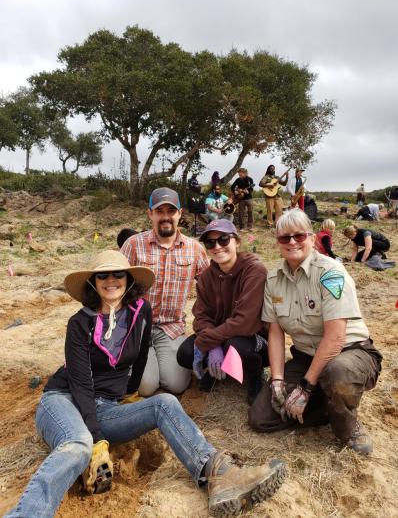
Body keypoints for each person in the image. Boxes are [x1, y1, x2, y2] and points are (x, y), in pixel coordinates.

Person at [5, 250, 286, 518]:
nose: (111, 281)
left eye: (118, 274)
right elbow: (80, 383)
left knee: (164, 402)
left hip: (105, 406)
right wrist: (95, 439)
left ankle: (219, 473)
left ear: (129, 280)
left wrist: (130, 394)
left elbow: (138, 359)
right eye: (103, 276)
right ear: (93, 283)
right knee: (78, 446)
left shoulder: (141, 312)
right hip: (64, 400)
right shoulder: (79, 324)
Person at [249, 210, 382, 455]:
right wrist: (278, 381)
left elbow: (335, 338)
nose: (292, 242)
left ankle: (347, 425)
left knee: (337, 372)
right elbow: (275, 333)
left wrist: (305, 387)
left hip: (349, 353)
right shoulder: (273, 280)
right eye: (284, 238)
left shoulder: (330, 273)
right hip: (306, 356)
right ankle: (327, 403)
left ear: (312, 238)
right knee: (261, 418)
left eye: (299, 236)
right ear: (277, 242)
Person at [120, 187, 209, 396]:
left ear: (180, 213)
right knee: (146, 387)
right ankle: (138, 361)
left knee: (177, 384)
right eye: (160, 211)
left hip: (171, 328)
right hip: (136, 327)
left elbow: (211, 289)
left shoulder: (195, 249)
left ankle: (158, 363)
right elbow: (113, 284)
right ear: (150, 213)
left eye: (171, 211)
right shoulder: (133, 245)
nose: (166, 217)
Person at [177, 219, 269, 405]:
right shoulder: (205, 277)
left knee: (235, 347)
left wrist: (208, 341)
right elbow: (201, 316)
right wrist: (213, 346)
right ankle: (217, 370)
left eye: (224, 239)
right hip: (220, 335)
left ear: (237, 241)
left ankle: (255, 373)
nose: (217, 246)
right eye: (210, 242)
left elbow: (245, 322)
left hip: (252, 337)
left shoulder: (254, 270)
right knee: (185, 354)